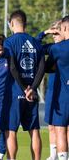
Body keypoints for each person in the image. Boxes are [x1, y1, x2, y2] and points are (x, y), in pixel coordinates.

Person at [0, 10, 45, 160]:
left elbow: (12, 67)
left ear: (12, 24)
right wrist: (32, 88)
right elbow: (41, 69)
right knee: (34, 130)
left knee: (11, 131)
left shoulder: (9, 42)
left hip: (14, 92)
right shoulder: (36, 43)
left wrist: (23, 88)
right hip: (31, 94)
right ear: (25, 24)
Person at [36, 20, 63, 160]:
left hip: (65, 92)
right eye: (53, 34)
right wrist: (45, 32)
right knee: (51, 124)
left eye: (56, 33)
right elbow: (35, 45)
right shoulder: (52, 48)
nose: (54, 36)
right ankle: (53, 155)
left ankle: (64, 154)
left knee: (65, 127)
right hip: (52, 90)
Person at [46, 16, 69, 160]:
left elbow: (47, 68)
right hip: (57, 92)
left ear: (64, 29)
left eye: (58, 31)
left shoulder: (57, 49)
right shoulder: (54, 47)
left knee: (61, 129)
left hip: (63, 95)